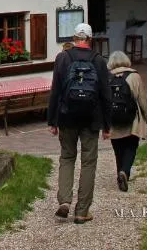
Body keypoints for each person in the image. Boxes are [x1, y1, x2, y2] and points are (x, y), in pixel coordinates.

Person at [48, 23, 112, 224]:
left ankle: (65, 201)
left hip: (67, 116)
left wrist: (52, 120)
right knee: (88, 162)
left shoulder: (62, 58)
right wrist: (107, 126)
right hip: (91, 119)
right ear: (90, 40)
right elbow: (106, 96)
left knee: (67, 157)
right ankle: (82, 211)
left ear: (74, 38)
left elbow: (55, 91)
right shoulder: (99, 61)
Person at [107, 50, 147, 192]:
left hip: (113, 119)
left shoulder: (107, 77)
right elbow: (142, 100)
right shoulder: (134, 76)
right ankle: (125, 172)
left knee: (118, 149)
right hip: (132, 119)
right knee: (131, 146)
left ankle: (120, 173)